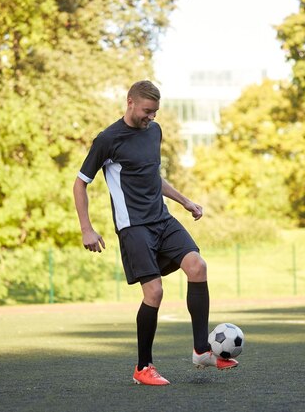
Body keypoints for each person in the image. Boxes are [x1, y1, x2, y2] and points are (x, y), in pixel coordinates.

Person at [73, 80, 238, 386]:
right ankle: (142, 367)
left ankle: (202, 350)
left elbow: (153, 177)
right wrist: (87, 228)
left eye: (155, 112)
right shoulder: (107, 140)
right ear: (130, 102)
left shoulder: (155, 131)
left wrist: (185, 201)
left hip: (162, 219)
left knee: (197, 266)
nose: (151, 117)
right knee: (155, 292)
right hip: (133, 227)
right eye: (147, 111)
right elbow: (80, 182)